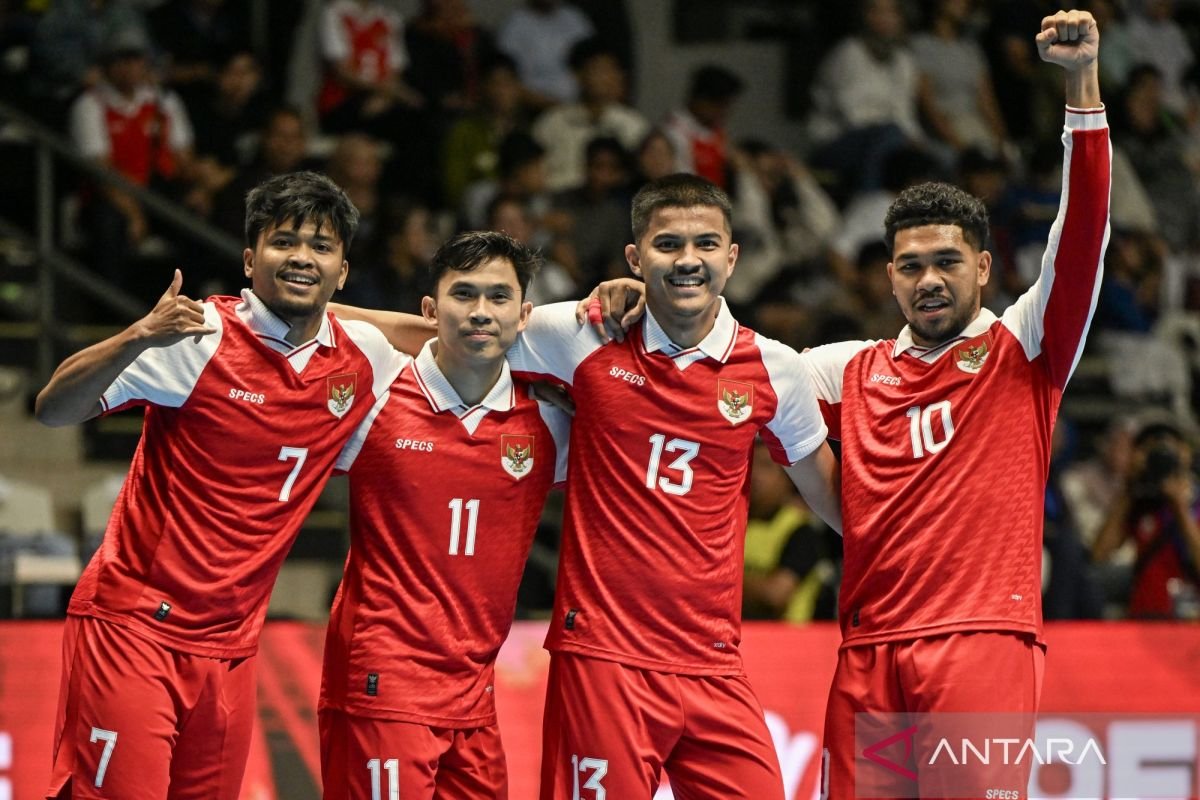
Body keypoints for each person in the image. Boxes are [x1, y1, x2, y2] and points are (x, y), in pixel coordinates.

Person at [338, 173, 841, 799]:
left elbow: (826, 491)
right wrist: (294, 319)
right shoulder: (580, 332)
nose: (688, 260)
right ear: (635, 257)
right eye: (667, 246)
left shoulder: (776, 368)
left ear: (732, 257)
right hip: (604, 655)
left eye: (706, 244)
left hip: (714, 660)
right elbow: (463, 332)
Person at [800, 10, 1109, 796]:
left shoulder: (1023, 347)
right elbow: (733, 376)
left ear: (983, 265)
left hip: (979, 642)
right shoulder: (846, 371)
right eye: (910, 265)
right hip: (867, 649)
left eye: (946, 262)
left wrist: (1080, 88)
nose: (928, 279)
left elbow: (1081, 237)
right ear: (888, 275)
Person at [35, 171, 405, 800]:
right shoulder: (197, 336)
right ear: (249, 258)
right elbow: (53, 408)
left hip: (231, 647)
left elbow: (456, 338)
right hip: (135, 629)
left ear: (343, 271)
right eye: (283, 242)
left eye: (321, 247)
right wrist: (136, 336)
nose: (301, 258)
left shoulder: (363, 356)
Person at [320, 231, 570, 799]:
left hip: (475, 696)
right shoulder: (376, 391)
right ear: (430, 310)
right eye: (464, 294)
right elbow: (306, 318)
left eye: (499, 297)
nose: (481, 312)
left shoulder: (552, 423)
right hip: (382, 683)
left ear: (524, 314)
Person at [1092, 415, 1200, 619]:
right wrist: (1128, 488)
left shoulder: (1196, 503)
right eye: (1149, 451)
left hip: (1190, 623)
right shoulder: (1140, 503)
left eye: (1166, 449)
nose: (1159, 458)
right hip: (1143, 618)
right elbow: (1099, 553)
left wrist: (1180, 507)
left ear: (1184, 453)